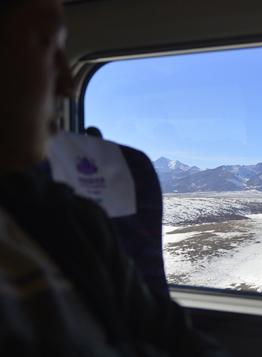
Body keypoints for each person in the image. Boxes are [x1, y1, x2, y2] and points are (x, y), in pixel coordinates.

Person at [0, 0, 225, 355]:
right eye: (44, 43)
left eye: (65, 53)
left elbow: (176, 338)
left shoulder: (75, 221)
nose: (66, 85)